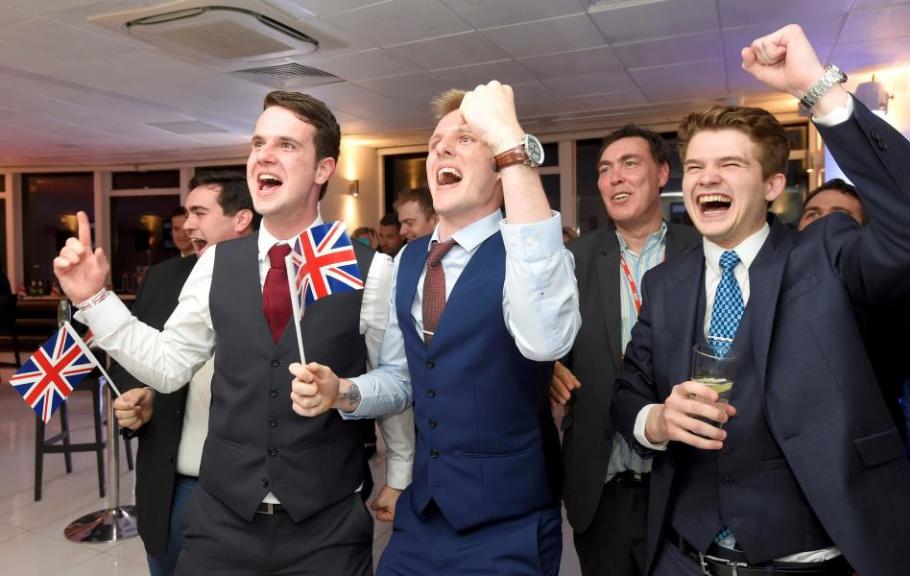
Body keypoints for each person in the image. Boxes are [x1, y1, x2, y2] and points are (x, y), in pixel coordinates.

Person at [610, 25, 910, 576]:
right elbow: (629, 389)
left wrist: (818, 89)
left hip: (813, 561)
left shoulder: (825, 255)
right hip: (685, 557)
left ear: (773, 185)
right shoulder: (665, 283)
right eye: (697, 167)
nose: (707, 179)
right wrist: (655, 419)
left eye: (730, 165)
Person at [55, 90, 407, 575]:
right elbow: (168, 366)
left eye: (286, 144)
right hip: (220, 522)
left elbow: (399, 383)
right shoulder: (216, 263)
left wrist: (346, 393)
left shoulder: (372, 271)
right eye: (258, 142)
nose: (263, 154)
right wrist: (94, 300)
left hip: (327, 526)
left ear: (323, 169)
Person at [290, 81, 580, 575]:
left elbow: (546, 341)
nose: (442, 147)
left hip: (507, 521)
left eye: (466, 139)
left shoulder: (531, 255)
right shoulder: (407, 261)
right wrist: (344, 392)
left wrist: (511, 139)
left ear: (500, 166)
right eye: (434, 143)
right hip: (422, 517)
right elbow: (404, 377)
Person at [551, 125, 698, 576]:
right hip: (605, 483)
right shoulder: (573, 260)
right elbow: (542, 340)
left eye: (629, 164)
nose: (615, 178)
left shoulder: (701, 250)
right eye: (604, 170)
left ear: (662, 173)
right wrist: (547, 367)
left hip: (688, 483)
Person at [111, 170, 256, 576]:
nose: (186, 225)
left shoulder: (273, 281)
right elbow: (128, 358)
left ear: (241, 218)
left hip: (248, 490)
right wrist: (137, 395)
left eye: (199, 212)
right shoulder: (163, 277)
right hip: (175, 483)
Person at [799, 178, 910, 535]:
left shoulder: (899, 302)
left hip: (870, 501)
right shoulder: (763, 293)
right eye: (812, 213)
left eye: (840, 215)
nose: (824, 222)